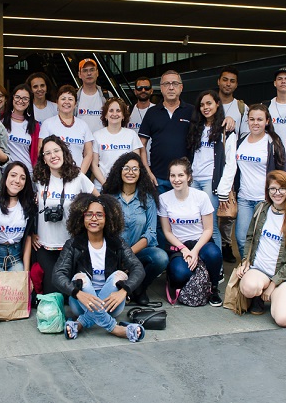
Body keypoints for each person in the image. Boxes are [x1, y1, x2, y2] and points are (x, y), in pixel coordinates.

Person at [53, 194, 145, 343]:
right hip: (81, 304)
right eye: (88, 214)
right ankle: (115, 328)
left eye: (99, 215)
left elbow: (138, 268)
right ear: (82, 218)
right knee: (81, 277)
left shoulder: (117, 243)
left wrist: (124, 291)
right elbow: (58, 274)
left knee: (118, 275)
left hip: (112, 304)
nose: (93, 218)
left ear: (107, 218)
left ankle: (80, 323)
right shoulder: (73, 244)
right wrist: (77, 293)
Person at [237, 170, 286, 327]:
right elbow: (250, 237)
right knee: (248, 287)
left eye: (282, 188)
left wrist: (274, 283)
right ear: (267, 191)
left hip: (284, 276)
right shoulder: (261, 209)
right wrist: (245, 262)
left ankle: (284, 297)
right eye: (273, 189)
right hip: (260, 270)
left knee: (283, 320)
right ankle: (260, 294)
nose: (277, 193)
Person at [219, 104, 286, 260]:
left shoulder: (273, 142)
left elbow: (283, 173)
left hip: (265, 200)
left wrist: (280, 198)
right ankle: (247, 269)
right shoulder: (241, 141)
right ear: (247, 121)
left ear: (267, 121)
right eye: (252, 119)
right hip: (244, 198)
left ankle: (262, 272)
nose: (255, 123)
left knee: (263, 239)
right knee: (242, 238)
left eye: (260, 119)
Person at [32, 136, 97, 294]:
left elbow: (98, 200)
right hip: (45, 246)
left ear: (64, 153)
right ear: (44, 159)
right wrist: (31, 234)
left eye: (56, 151)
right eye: (47, 153)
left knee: (72, 293)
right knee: (53, 292)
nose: (53, 155)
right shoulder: (38, 180)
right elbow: (27, 209)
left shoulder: (78, 177)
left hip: (70, 245)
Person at [102, 152, 168, 306]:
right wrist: (119, 255)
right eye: (126, 168)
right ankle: (123, 287)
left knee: (161, 257)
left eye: (135, 169)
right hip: (112, 254)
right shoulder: (109, 197)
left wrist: (129, 254)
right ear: (119, 171)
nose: (130, 172)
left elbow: (151, 233)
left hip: (138, 252)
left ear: (141, 173)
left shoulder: (148, 198)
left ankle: (138, 288)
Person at [158, 158, 222, 307]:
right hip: (179, 245)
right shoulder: (164, 198)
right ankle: (198, 272)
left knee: (214, 254)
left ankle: (213, 288)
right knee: (180, 274)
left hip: (201, 242)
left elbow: (208, 229)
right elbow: (167, 232)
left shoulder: (201, 197)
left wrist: (194, 251)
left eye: (180, 175)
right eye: (172, 176)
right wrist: (185, 250)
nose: (176, 179)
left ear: (188, 177)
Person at [187, 90, 238, 252]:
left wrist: (223, 188)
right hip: (194, 180)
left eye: (209, 103)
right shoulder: (196, 127)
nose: (205, 108)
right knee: (196, 224)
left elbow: (231, 163)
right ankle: (201, 263)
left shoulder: (226, 129)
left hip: (211, 182)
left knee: (211, 226)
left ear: (217, 104)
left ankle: (217, 269)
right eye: (202, 105)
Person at [138, 70, 193, 193]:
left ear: (181, 87)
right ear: (161, 88)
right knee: (160, 213)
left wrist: (228, 119)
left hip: (185, 178)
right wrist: (147, 172)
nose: (171, 87)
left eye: (174, 83)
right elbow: (141, 144)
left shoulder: (192, 111)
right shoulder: (152, 112)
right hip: (158, 178)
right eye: (167, 84)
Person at [216, 67, 247, 263]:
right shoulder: (211, 103)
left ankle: (226, 244)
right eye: (225, 80)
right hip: (211, 162)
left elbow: (245, 137)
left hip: (232, 163)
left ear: (236, 84)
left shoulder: (242, 108)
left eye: (232, 81)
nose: (228, 83)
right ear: (218, 81)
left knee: (228, 205)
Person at [0, 162, 37, 271]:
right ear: (6, 176)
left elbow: (28, 237)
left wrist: (26, 271)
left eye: (22, 178)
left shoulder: (29, 204)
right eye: (13, 175)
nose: (17, 181)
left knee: (20, 287)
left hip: (16, 256)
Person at [91, 98, 143, 191]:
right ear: (105, 115)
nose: (114, 114)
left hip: (126, 187)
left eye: (118, 111)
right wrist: (105, 184)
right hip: (102, 187)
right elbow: (94, 165)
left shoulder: (131, 135)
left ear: (123, 116)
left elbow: (136, 163)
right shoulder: (97, 135)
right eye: (111, 111)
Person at [39, 85, 94, 172]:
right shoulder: (48, 124)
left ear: (75, 104)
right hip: (54, 175)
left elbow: (89, 153)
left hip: (77, 175)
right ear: (57, 102)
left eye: (70, 99)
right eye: (63, 99)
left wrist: (80, 176)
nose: (66, 102)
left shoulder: (83, 125)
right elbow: (41, 149)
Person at [0, 84, 42, 172]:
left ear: (30, 102)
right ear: (12, 98)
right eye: (17, 97)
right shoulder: (0, 120)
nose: (20, 101)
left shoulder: (34, 125)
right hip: (6, 171)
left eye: (25, 98)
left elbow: (36, 153)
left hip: (27, 172)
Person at [76, 58, 112, 134]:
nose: (89, 73)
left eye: (92, 70)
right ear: (79, 74)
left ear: (97, 73)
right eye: (85, 70)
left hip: (102, 142)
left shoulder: (107, 95)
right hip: (80, 141)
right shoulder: (74, 96)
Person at [127, 77, 154, 166]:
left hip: (154, 161)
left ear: (151, 91)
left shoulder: (158, 111)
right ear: (135, 91)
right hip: (133, 161)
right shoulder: (127, 112)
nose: (143, 90)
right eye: (139, 88)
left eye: (146, 88)